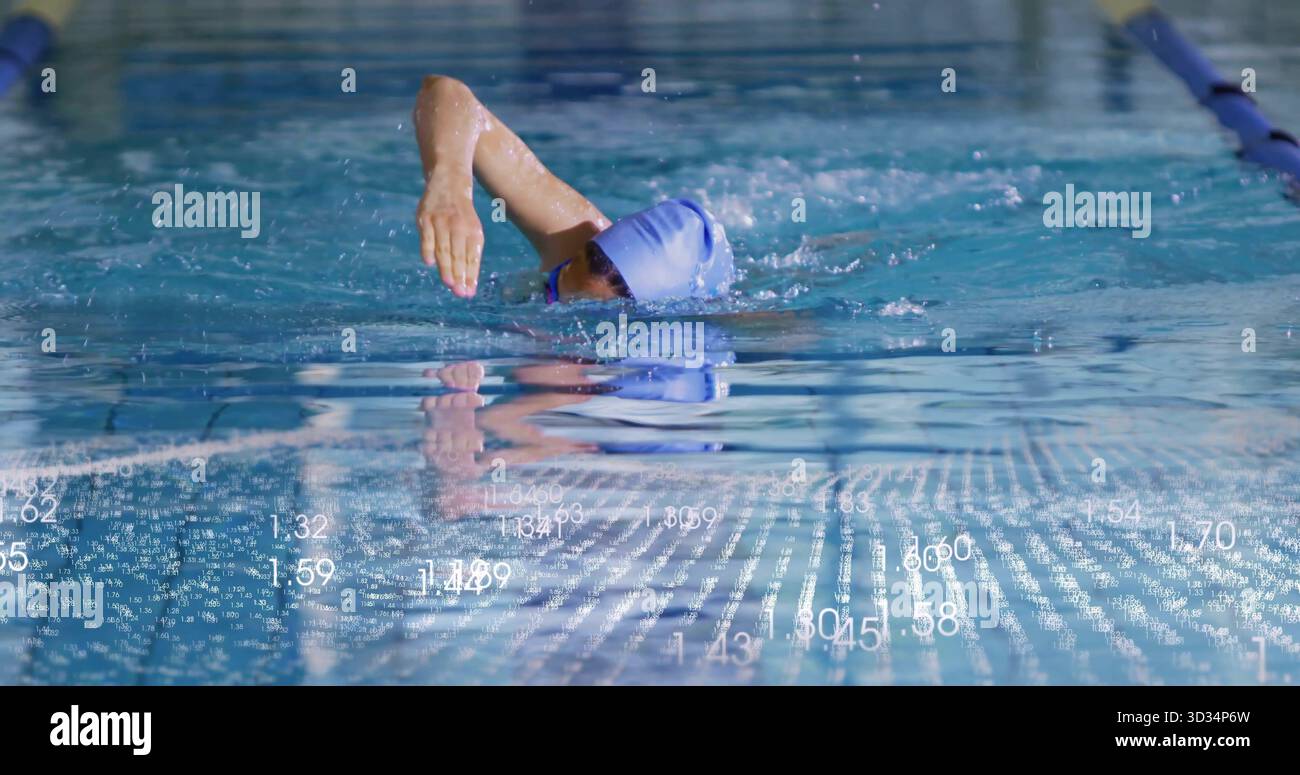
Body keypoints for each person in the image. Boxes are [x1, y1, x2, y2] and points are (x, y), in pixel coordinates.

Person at [412, 75, 734, 303]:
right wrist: (451, 183)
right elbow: (444, 92)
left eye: (583, 310)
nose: (550, 302)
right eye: (553, 285)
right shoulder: (579, 236)